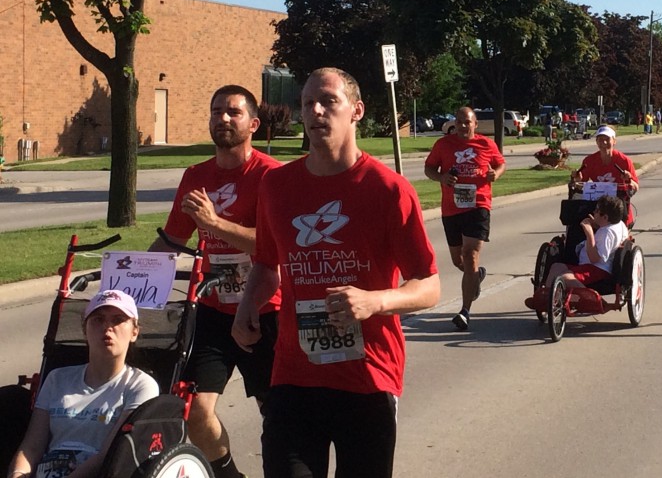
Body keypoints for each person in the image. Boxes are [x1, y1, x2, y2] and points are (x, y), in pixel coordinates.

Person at [232, 67, 440, 478]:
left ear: (356, 111)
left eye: (329, 101)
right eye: (308, 102)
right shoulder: (276, 186)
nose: (316, 111)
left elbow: (429, 286)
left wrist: (375, 300)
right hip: (294, 373)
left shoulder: (388, 189)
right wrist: (246, 307)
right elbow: (266, 262)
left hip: (368, 377)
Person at [149, 84, 281, 478]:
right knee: (194, 411)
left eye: (233, 112)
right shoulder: (196, 175)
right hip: (211, 309)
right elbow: (173, 239)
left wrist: (214, 223)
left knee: (275, 412)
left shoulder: (272, 176)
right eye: (216, 111)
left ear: (253, 123)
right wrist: (118, 274)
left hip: (265, 310)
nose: (223, 118)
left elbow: (275, 245)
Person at [9, 290, 159, 478]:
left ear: (134, 332)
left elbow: (111, 456)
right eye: (98, 319)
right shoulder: (57, 379)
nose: (108, 327)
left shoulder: (140, 386)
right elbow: (32, 446)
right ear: (84, 329)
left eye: (118, 319)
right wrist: (18, 473)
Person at [424, 106, 506, 331]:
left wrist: (495, 174)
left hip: (479, 205)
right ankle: (476, 276)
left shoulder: (486, 144)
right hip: (452, 208)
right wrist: (441, 177)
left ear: (475, 124)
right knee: (458, 261)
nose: (462, 126)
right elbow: (429, 168)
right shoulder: (443, 145)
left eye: (467, 122)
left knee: (470, 255)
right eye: (459, 122)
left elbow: (500, 164)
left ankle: (465, 311)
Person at [541, 195, 629, 292]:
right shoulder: (618, 224)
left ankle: (595, 300)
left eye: (597, 210)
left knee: (565, 278)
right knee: (556, 267)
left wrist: (589, 233)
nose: (594, 212)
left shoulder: (607, 233)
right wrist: (597, 225)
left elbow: (595, 259)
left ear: (605, 217)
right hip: (590, 266)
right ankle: (546, 296)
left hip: (598, 269)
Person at [571, 125, 639, 226]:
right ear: (596, 142)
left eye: (607, 139)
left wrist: (629, 180)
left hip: (620, 211)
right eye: (600, 139)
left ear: (614, 141)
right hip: (599, 212)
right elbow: (580, 185)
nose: (604, 143)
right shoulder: (589, 161)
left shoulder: (624, 161)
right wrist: (577, 179)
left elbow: (635, 187)